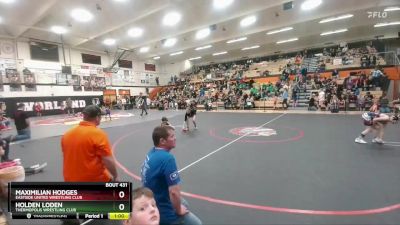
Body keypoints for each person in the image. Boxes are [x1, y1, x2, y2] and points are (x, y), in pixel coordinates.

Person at [141, 126, 202, 225]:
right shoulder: (167, 158)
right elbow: (174, 192)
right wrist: (178, 210)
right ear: (162, 141)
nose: (175, 138)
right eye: (172, 136)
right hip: (162, 208)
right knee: (197, 223)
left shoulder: (152, 152)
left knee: (184, 203)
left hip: (152, 198)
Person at [61, 105, 118, 182]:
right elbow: (108, 160)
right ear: (97, 117)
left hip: (70, 179)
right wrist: (115, 176)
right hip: (93, 180)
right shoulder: (98, 134)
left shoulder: (67, 134)